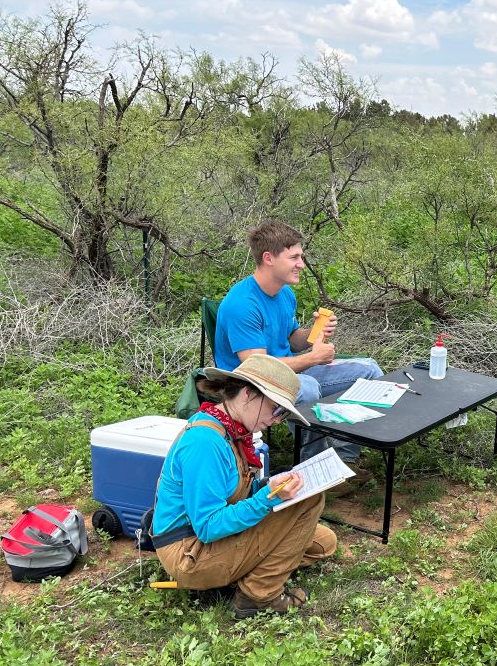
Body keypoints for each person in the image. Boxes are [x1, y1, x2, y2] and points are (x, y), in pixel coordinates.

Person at [152, 354, 338, 619]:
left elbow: (233, 493)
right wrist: (267, 499)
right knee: (308, 501)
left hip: (207, 541)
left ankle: (232, 576)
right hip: (189, 552)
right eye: (276, 409)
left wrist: (266, 485)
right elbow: (208, 526)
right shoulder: (206, 442)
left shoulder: (232, 429)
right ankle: (257, 597)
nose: (277, 419)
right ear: (248, 394)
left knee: (322, 543)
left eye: (282, 413)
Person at [214, 219, 384, 467]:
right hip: (247, 383)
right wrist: (313, 358)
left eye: (300, 257)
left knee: (369, 369)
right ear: (269, 258)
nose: (301, 265)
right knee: (307, 387)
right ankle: (315, 466)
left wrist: (314, 332)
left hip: (288, 370)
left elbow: (292, 341)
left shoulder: (284, 293)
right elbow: (257, 368)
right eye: (294, 257)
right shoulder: (242, 304)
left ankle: (346, 457)